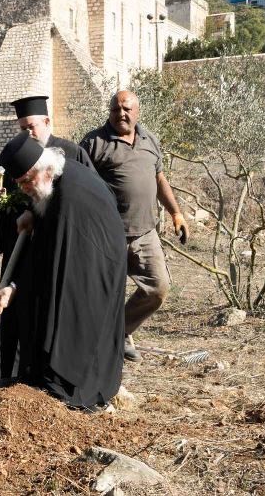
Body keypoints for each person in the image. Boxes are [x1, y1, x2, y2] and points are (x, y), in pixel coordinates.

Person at [0, 132, 127, 410]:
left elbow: (50, 263)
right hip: (85, 263)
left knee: (70, 323)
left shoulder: (69, 200)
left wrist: (16, 287)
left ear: (45, 169)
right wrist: (33, 212)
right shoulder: (60, 179)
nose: (25, 188)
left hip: (90, 271)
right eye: (20, 184)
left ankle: (66, 385)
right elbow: (45, 249)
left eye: (27, 181)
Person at [0, 95, 94, 381]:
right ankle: (9, 377)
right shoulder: (15, 155)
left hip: (55, 249)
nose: (27, 133)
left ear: (47, 122)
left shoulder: (72, 154)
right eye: (22, 128)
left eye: (31, 126)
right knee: (15, 313)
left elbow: (85, 199)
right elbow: (7, 204)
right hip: (20, 248)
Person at [80, 91, 189, 363]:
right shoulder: (94, 142)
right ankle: (91, 350)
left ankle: (120, 332)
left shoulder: (149, 139)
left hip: (145, 233)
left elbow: (159, 178)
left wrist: (175, 213)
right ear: (109, 111)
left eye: (127, 109)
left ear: (137, 111)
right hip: (107, 235)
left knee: (158, 288)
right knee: (103, 294)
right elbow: (78, 184)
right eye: (116, 109)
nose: (121, 114)